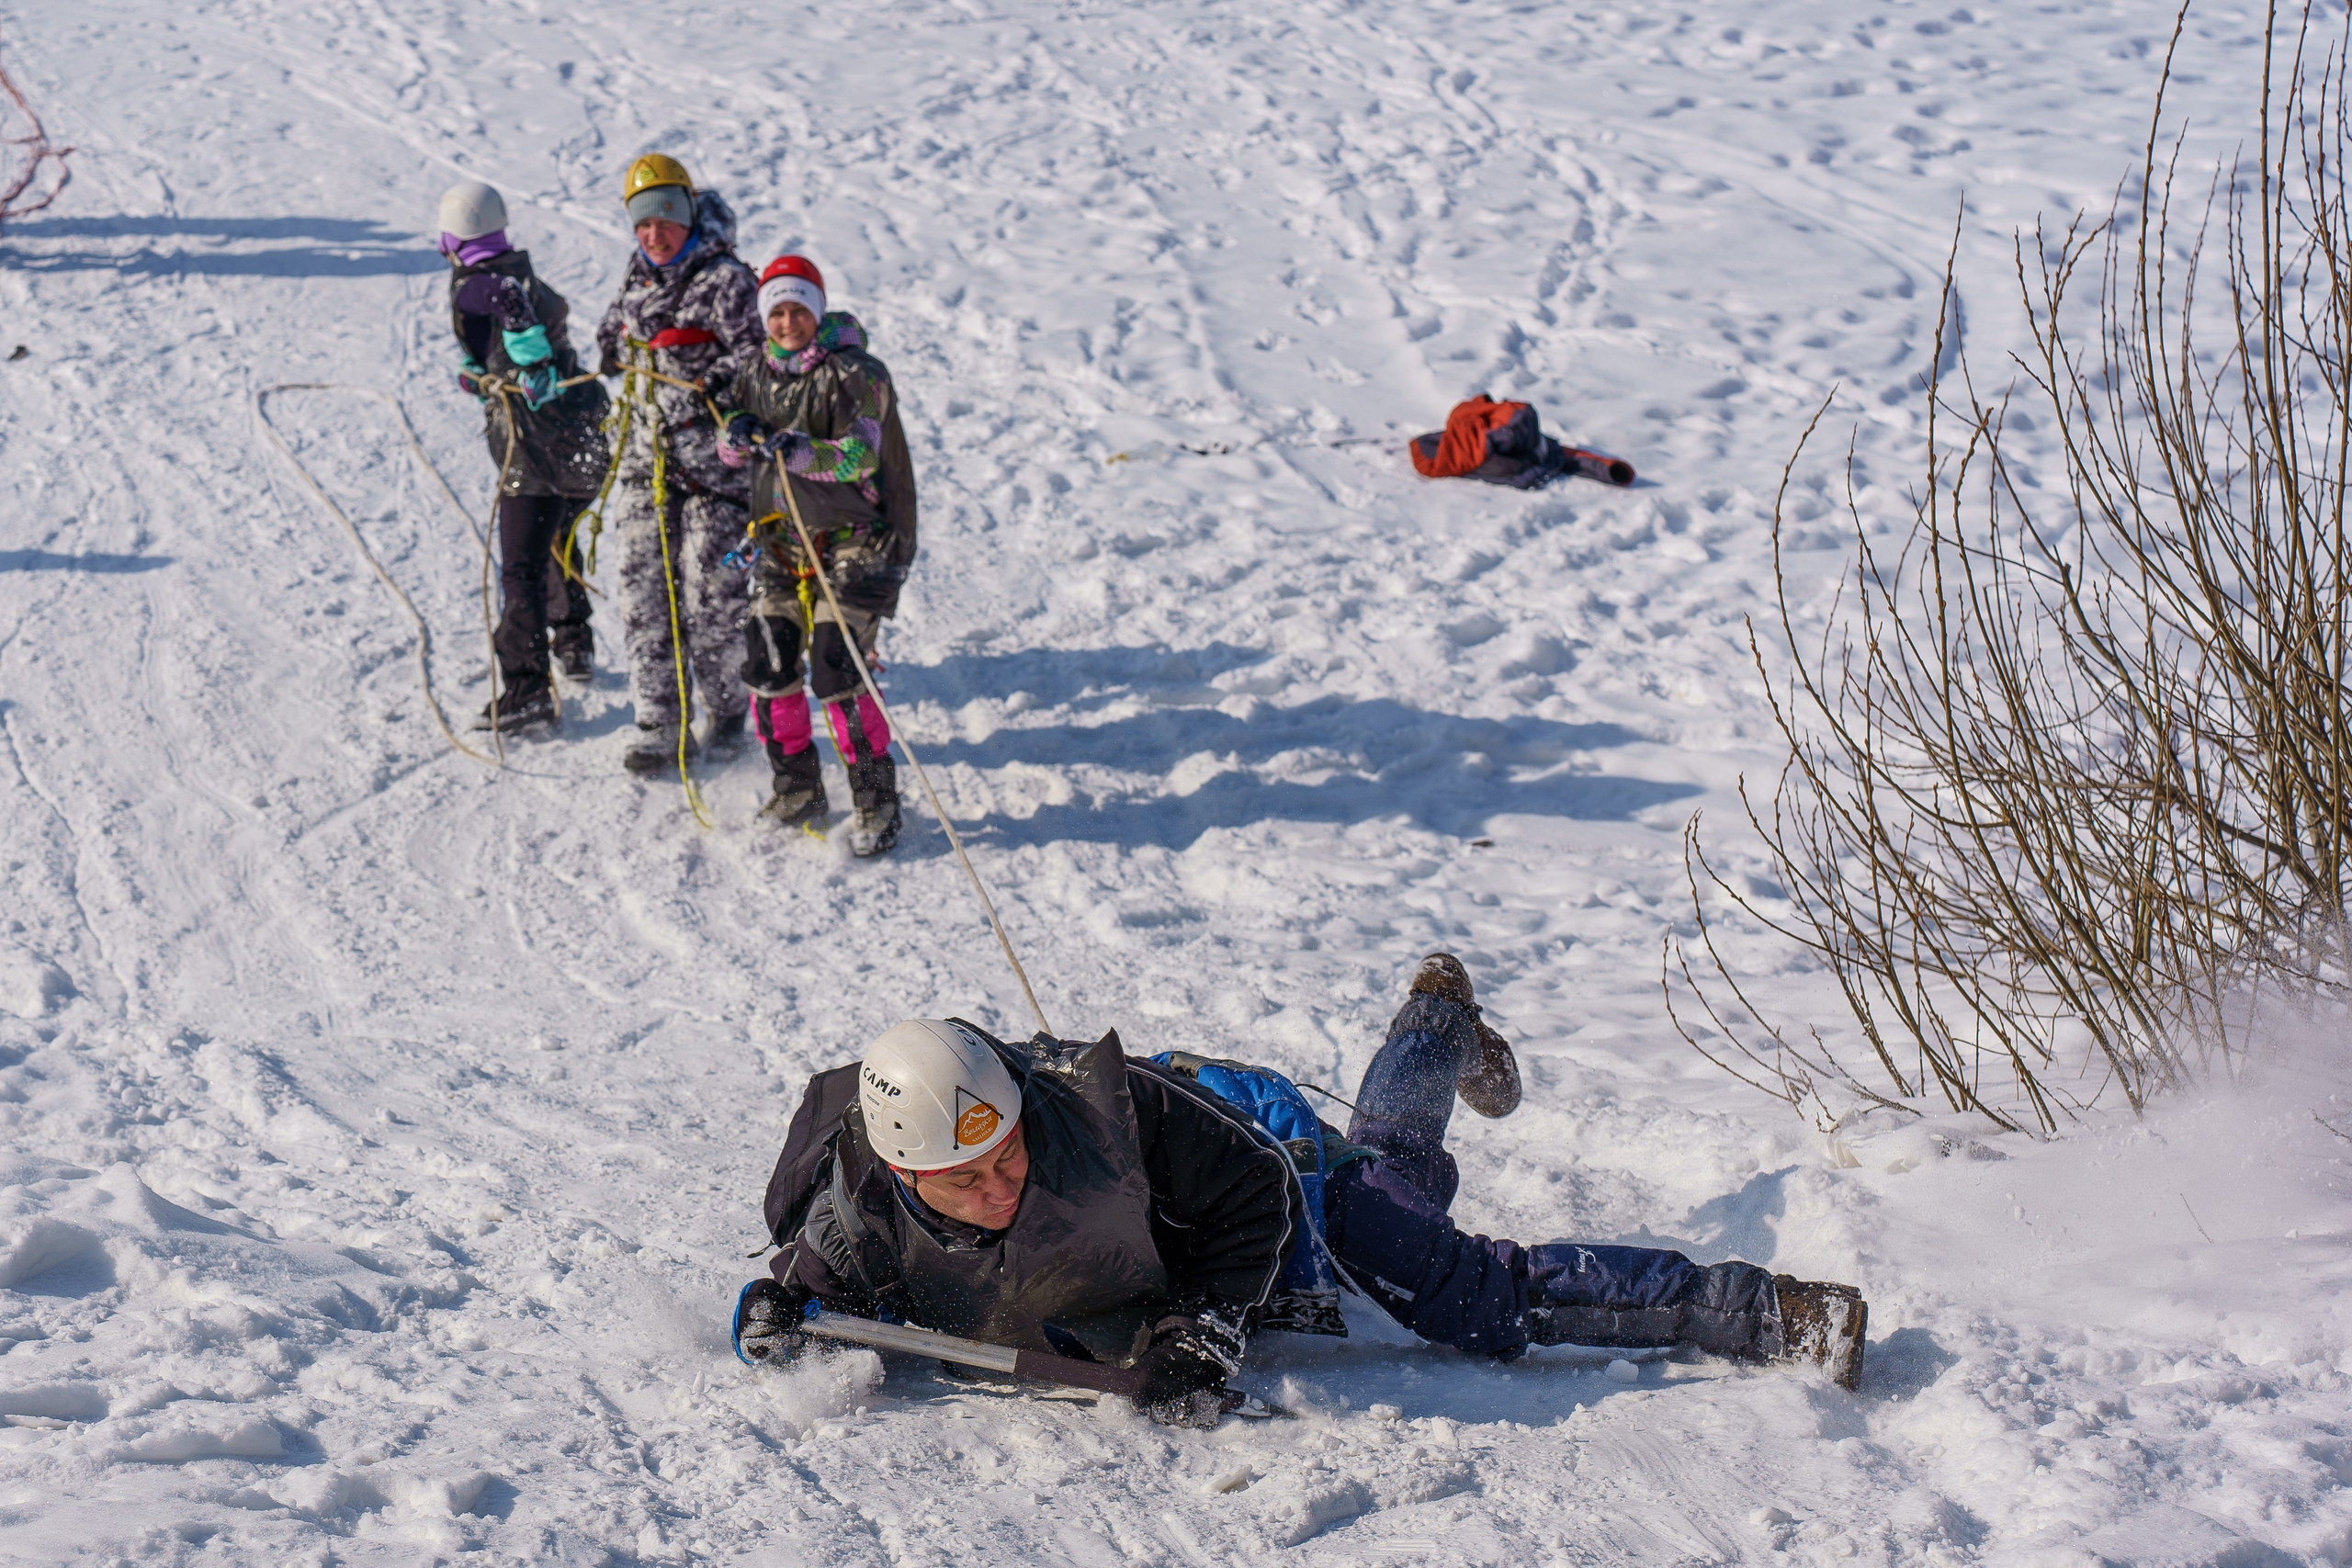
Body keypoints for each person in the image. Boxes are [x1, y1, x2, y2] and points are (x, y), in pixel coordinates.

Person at [732, 955, 1869, 1427]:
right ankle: (1433, 1021)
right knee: (1405, 1165)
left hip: (1270, 1171)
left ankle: (1762, 1307)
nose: (996, 1184)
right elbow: (795, 1299)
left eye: (1009, 1156)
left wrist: (1205, 1325)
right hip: (1204, 1197)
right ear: (901, 1172)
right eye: (964, 1179)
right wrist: (774, 1321)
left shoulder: (1105, 1121)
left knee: (1456, 1282)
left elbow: (1253, 1197)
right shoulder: (856, 1201)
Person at [716, 254, 919, 853]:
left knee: (836, 663)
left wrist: (801, 451)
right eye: (775, 311)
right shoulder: (756, 373)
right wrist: (736, 435)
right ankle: (797, 783)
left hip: (859, 542)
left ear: (817, 310)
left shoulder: (857, 373)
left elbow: (859, 455)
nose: (787, 322)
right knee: (770, 654)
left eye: (798, 309)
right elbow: (730, 439)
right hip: (782, 542)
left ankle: (876, 799)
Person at [593, 154, 762, 775]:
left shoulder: (725, 281)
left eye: (665, 218)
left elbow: (757, 359)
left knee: (710, 597)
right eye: (642, 221)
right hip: (645, 461)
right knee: (642, 591)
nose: (654, 232)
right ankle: (660, 721)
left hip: (715, 476)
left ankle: (728, 704)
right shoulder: (637, 276)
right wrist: (615, 351)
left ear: (689, 214)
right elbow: (609, 333)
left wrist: (712, 384)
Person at [437, 180, 609, 731]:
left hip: (537, 447)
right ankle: (574, 639)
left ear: (449, 238)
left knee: (522, 567)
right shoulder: (523, 271)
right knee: (558, 540)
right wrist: (489, 374)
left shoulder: (477, 283)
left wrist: (530, 360)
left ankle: (528, 686)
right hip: (581, 435)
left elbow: (508, 305)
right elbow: (524, 308)